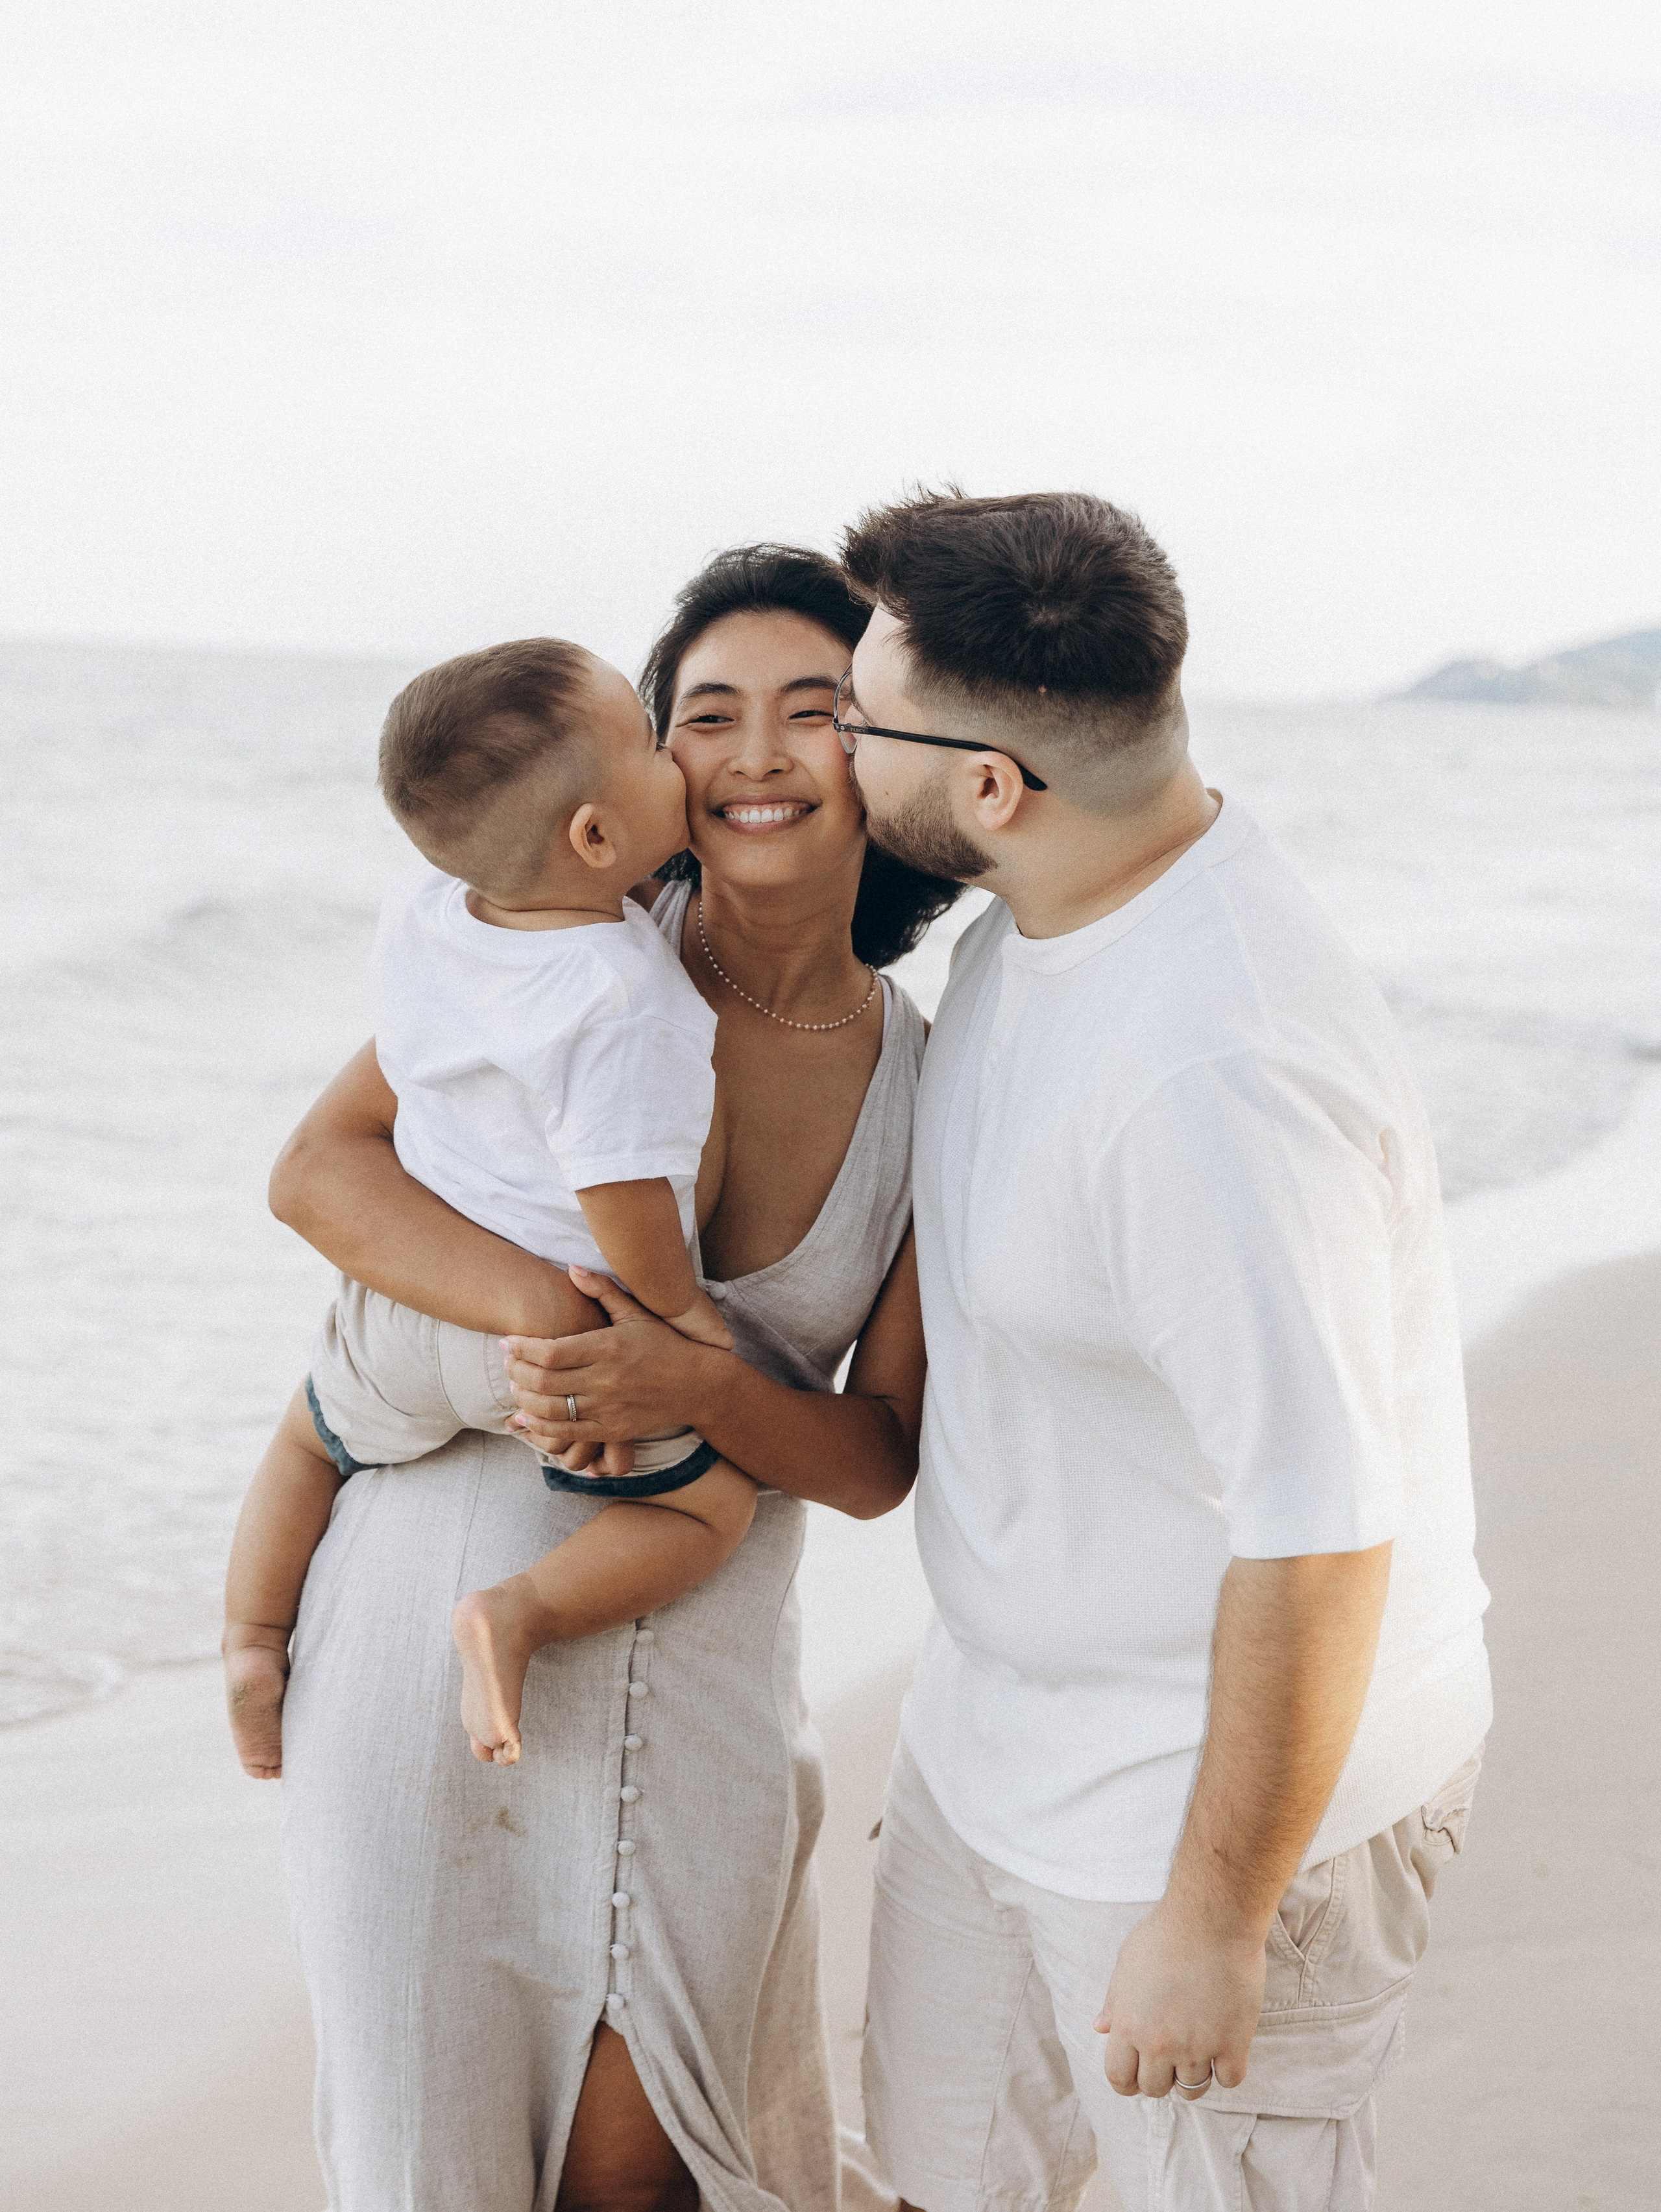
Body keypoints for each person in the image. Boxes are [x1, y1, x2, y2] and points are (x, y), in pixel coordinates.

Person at [263, 545, 958, 2212]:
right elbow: (319, 1175)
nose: (757, 755)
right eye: (705, 716)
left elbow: (876, 1460)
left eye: (816, 710)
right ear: (646, 774)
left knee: (653, 2178)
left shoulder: (940, 1081)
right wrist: (556, 1319)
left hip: (708, 1671)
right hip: (431, 1649)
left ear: (886, 754)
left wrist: (693, 1385)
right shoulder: (558, 953)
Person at [832, 489, 1492, 2212]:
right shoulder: (1039, 918)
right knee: (930, 2182)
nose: (829, 746)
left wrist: (1214, 1919)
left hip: (1222, 1821)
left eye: (854, 713)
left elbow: (1328, 1532)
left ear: (990, 785)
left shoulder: (1216, 1076)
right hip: (999, 1764)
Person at [223, 635, 759, 1777]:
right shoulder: (624, 999)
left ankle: (253, 1637)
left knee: (310, 1433)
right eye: (653, 745)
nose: (677, 755)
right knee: (709, 1512)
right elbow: (620, 1188)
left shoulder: (428, 909)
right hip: (548, 1342)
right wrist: (677, 1314)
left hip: (400, 1300)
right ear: (596, 838)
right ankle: (516, 1614)